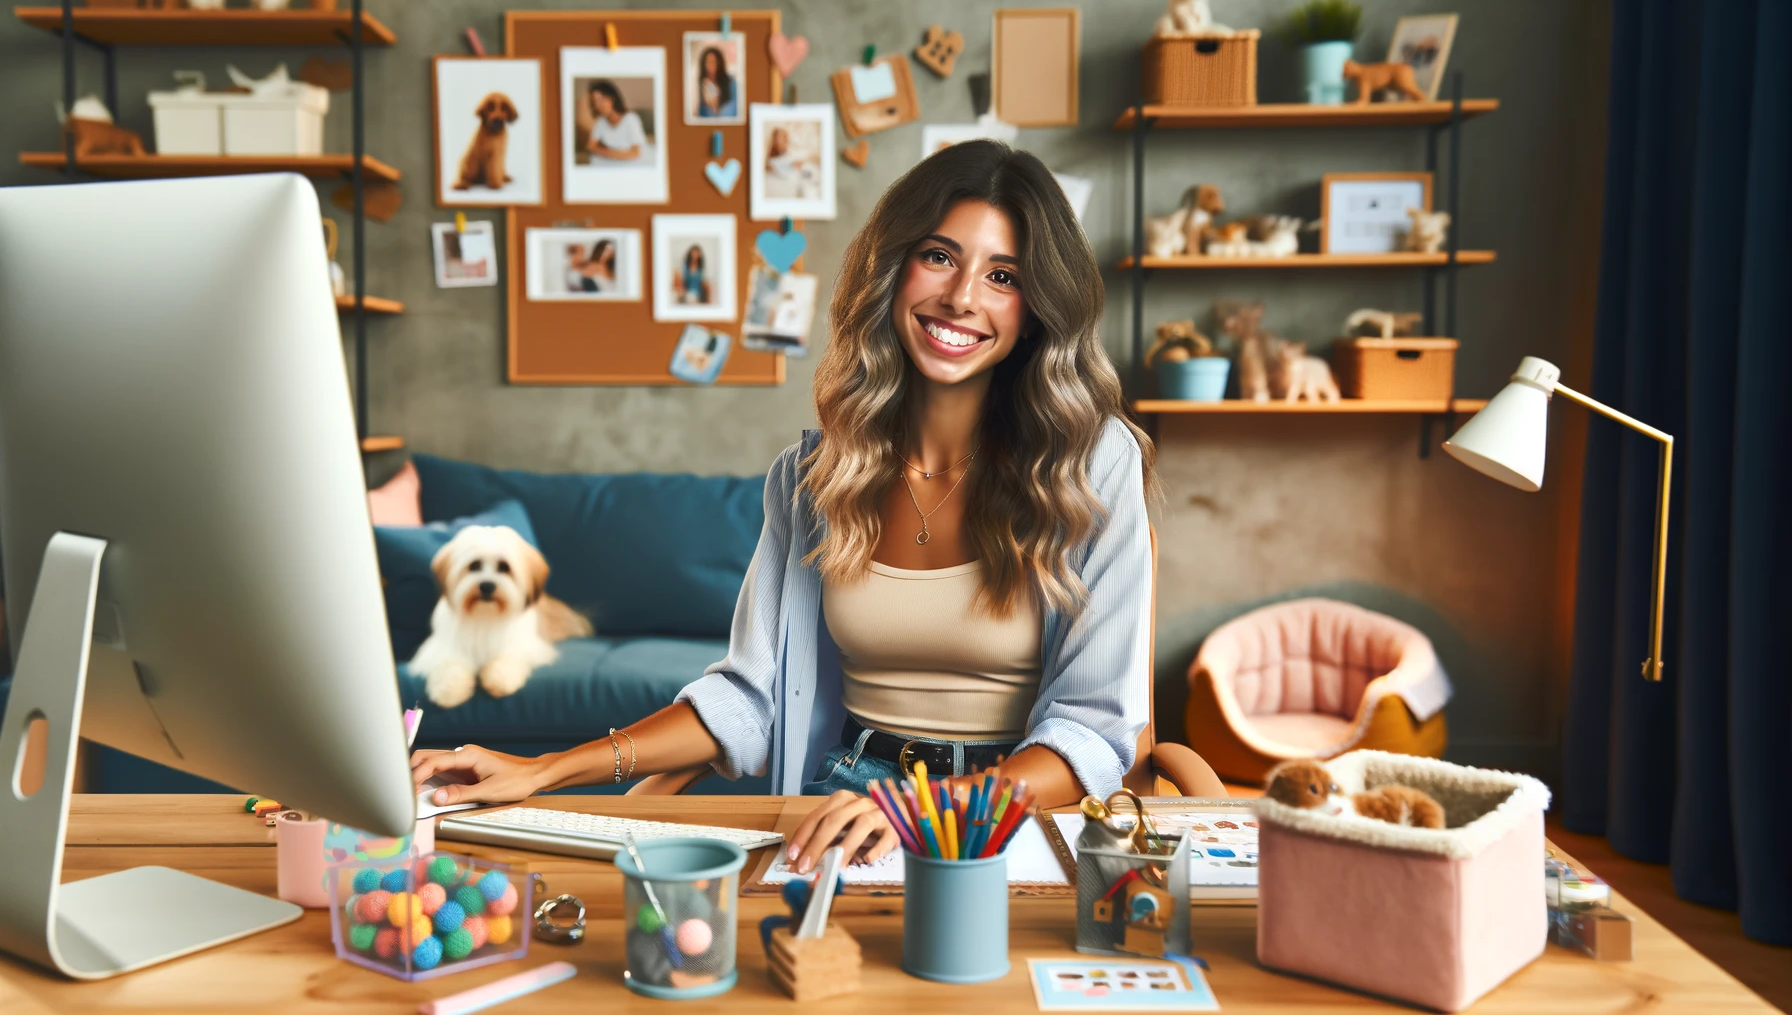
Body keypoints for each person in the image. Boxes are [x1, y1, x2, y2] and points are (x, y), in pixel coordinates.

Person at [412, 141, 1226, 876]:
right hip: (841, 801)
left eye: (1003, 275)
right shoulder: (815, 474)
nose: (962, 297)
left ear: (1035, 306)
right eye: (938, 257)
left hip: (1012, 811)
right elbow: (748, 696)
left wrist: (921, 810)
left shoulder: (1093, 463)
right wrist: (543, 770)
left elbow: (1093, 728)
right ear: (893, 267)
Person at [585, 80, 645, 162]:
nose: (599, 104)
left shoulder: (630, 119)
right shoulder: (600, 122)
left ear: (612, 97)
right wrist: (613, 153)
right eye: (595, 101)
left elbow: (635, 153)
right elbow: (590, 147)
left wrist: (604, 152)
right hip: (615, 162)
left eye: (602, 98)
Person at [696, 44, 736, 119]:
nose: (710, 65)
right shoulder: (705, 85)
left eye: (713, 61)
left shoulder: (731, 83)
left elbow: (733, 111)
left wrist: (716, 104)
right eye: (708, 62)